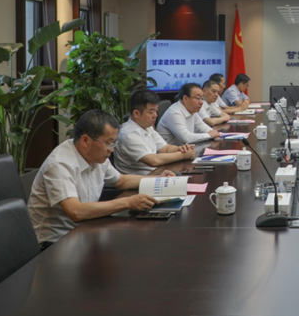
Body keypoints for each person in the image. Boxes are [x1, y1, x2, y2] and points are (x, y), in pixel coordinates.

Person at [28, 110, 176, 248]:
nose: (111, 149)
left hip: (84, 230)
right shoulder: (59, 164)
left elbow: (122, 181)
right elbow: (76, 211)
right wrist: (128, 202)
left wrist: (158, 180)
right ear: (85, 140)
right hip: (54, 243)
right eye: (108, 143)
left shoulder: (97, 156)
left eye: (114, 143)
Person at [115, 89, 195, 175]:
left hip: (156, 174)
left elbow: (165, 148)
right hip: (140, 181)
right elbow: (153, 160)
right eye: (151, 112)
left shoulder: (147, 127)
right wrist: (183, 155)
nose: (155, 115)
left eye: (156, 111)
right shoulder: (128, 134)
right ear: (136, 113)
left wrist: (181, 149)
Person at [157, 83, 221, 144]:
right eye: (198, 98)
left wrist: (213, 132)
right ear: (185, 98)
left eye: (202, 98)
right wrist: (209, 135)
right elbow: (186, 138)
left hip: (185, 148)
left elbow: (202, 126)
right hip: (172, 150)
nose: (201, 102)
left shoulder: (192, 110)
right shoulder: (174, 113)